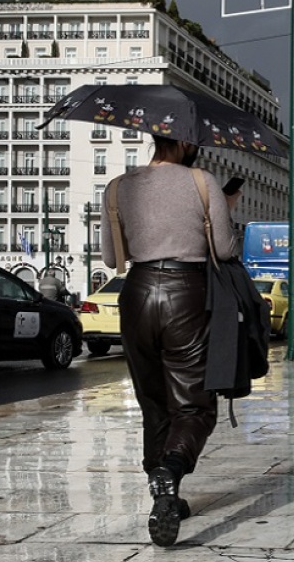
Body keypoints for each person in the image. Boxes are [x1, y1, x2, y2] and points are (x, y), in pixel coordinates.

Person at [101, 135, 240, 547]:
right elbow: (225, 249)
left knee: (153, 402)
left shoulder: (118, 187)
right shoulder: (202, 182)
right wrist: (222, 215)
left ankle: (164, 493)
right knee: (195, 405)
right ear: (180, 141)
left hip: (137, 294)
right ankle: (171, 471)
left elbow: (111, 258)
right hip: (187, 294)